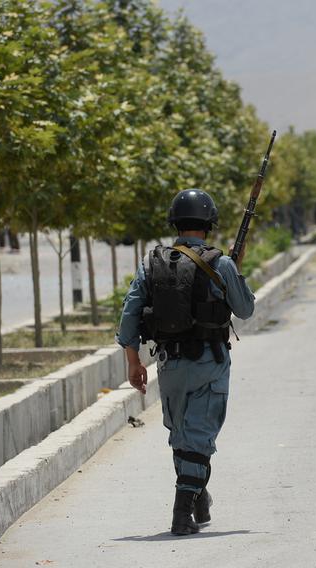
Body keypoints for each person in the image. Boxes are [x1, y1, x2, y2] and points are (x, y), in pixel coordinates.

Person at [116, 189, 255, 536]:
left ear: (175, 222)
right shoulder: (220, 263)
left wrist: (134, 364)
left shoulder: (151, 263)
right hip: (210, 361)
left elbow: (129, 317)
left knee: (182, 436)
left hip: (169, 365)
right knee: (199, 435)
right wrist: (236, 272)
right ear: (209, 224)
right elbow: (246, 310)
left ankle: (198, 497)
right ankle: (182, 512)